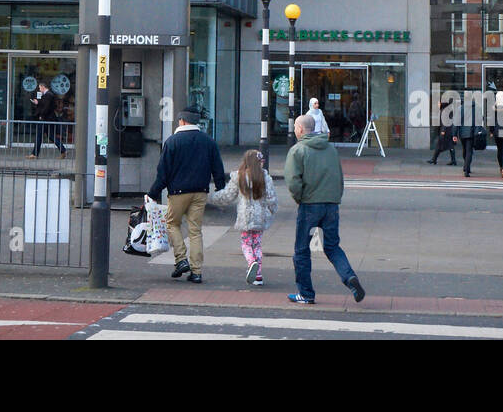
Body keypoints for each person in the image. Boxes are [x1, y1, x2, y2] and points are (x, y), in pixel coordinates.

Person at [285, 113, 365, 306]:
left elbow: (293, 181)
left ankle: (306, 293)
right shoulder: (330, 149)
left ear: (301, 130)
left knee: (302, 250)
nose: (295, 130)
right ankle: (350, 278)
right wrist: (335, 198)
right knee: (332, 246)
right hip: (331, 205)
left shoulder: (298, 150)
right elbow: (339, 177)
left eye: (296, 127)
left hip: (310, 205)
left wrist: (300, 198)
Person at [147, 109, 229, 283]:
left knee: (172, 224)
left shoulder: (172, 142)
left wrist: (153, 193)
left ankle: (181, 259)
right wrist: (221, 189)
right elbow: (218, 169)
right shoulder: (208, 141)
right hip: (200, 192)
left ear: (182, 121)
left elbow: (163, 172)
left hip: (177, 192)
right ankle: (197, 271)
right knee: (195, 231)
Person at [208, 148, 279, 287]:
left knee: (246, 244)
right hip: (260, 218)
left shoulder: (239, 176)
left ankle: (251, 262)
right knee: (257, 244)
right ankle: (258, 275)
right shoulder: (265, 177)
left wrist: (210, 198)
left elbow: (227, 196)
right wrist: (271, 212)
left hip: (245, 217)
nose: (263, 163)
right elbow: (272, 199)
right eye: (262, 161)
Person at [28, 80, 65, 159]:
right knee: (50, 135)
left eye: (40, 88)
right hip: (48, 119)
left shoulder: (48, 95)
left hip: (45, 119)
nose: (39, 90)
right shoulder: (48, 95)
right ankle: (63, 150)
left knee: (39, 135)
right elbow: (44, 105)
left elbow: (46, 107)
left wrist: (41, 115)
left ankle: (35, 154)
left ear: (43, 87)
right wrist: (38, 103)